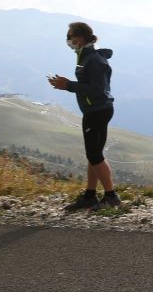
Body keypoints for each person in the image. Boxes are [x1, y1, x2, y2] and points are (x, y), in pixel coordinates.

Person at [48, 22, 120, 212]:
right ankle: (90, 195)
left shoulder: (93, 60)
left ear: (79, 38)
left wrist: (68, 85)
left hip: (97, 111)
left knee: (95, 155)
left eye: (70, 36)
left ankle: (111, 196)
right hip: (95, 110)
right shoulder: (86, 56)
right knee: (93, 154)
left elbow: (97, 90)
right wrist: (67, 84)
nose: (68, 41)